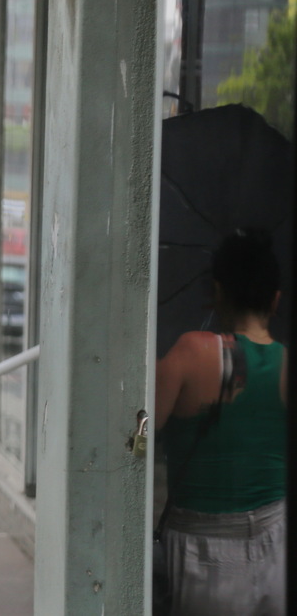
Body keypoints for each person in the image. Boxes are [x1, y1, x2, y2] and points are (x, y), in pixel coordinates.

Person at [155, 228, 287, 615]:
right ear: (275, 300)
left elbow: (138, 436)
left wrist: (138, 433)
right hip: (278, 539)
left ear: (217, 292)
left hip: (205, 550)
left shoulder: (191, 352)